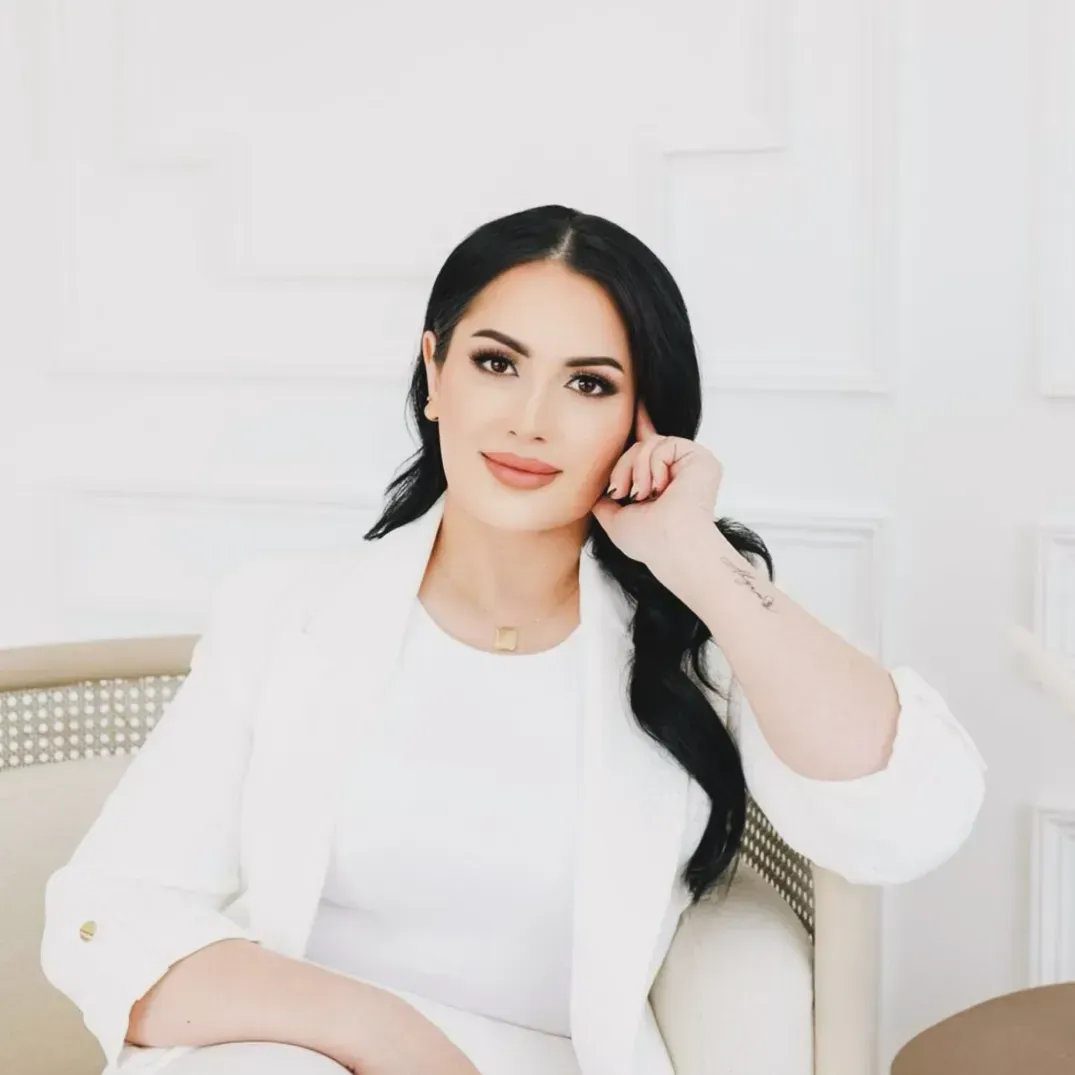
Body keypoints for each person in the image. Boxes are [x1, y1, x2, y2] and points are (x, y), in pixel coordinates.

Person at [40, 205, 988, 1075]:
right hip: (296, 1051)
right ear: (434, 375)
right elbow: (106, 910)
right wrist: (396, 1041)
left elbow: (903, 817)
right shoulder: (282, 612)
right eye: (496, 362)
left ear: (638, 416)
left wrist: (695, 557)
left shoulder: (694, 640)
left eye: (587, 382)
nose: (530, 419)